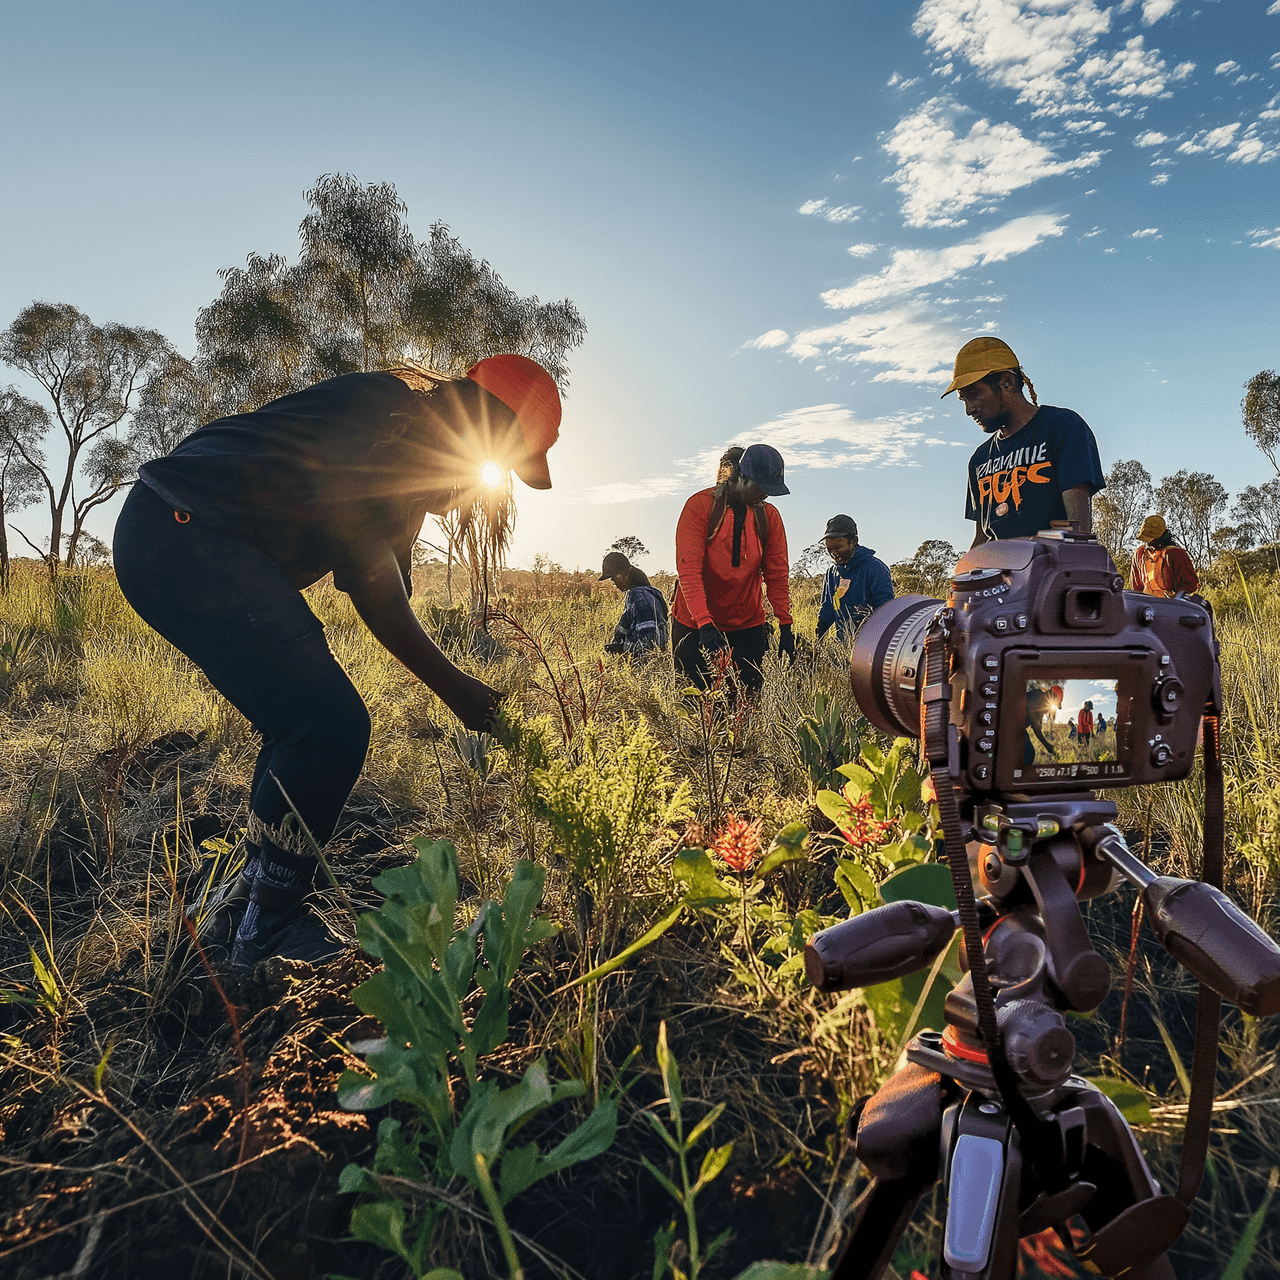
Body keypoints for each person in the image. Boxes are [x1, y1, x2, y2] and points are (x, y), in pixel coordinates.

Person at [113, 356, 561, 971]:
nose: (478, 486)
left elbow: (382, 582)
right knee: (331, 728)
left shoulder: (403, 464)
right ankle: (268, 926)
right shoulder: (388, 414)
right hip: (183, 530)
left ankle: (249, 904)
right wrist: (459, 692)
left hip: (171, 534)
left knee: (300, 727)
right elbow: (376, 591)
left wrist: (459, 687)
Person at [943, 337, 1105, 548]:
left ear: (1006, 382)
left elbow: (1078, 530)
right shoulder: (980, 459)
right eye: (963, 400)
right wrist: (966, 577)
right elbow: (982, 539)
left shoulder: (1062, 427)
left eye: (974, 395)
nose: (969, 410)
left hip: (1053, 573)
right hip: (1000, 577)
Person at [671, 443, 793, 694]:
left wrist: (785, 625)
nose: (765, 496)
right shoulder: (700, 506)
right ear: (741, 477)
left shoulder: (769, 517)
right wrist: (705, 623)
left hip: (747, 625)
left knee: (746, 705)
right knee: (696, 705)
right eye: (760, 488)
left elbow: (777, 574)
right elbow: (689, 570)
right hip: (695, 626)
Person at [814, 515, 894, 643]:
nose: (834, 553)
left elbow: (885, 610)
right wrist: (817, 642)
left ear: (854, 541)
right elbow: (827, 610)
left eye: (839, 547)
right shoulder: (831, 573)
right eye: (829, 549)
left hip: (870, 645)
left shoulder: (875, 568)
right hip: (842, 645)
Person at [600, 550, 668, 655]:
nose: (614, 584)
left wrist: (622, 649)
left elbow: (648, 642)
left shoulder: (640, 598)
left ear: (622, 575)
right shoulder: (645, 593)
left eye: (613, 579)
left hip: (644, 663)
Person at [1131, 515, 1199, 597]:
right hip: (1146, 603)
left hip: (1168, 605)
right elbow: (1136, 587)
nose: (1148, 544)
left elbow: (1190, 583)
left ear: (1160, 537)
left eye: (1150, 540)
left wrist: (1176, 596)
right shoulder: (1140, 553)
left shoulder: (1174, 553)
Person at [1025, 684, 1063, 766]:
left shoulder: (1042, 708)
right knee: (1029, 753)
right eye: (1055, 704)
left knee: (1029, 753)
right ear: (1053, 697)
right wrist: (1048, 746)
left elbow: (1036, 729)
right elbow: (1036, 726)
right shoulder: (1038, 695)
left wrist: (1048, 747)